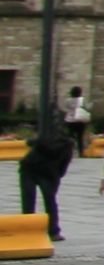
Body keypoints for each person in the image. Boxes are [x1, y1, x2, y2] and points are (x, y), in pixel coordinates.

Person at [20, 95, 74, 238]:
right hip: (49, 172)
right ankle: (53, 230)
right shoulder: (67, 144)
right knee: (50, 200)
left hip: (30, 167)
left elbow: (29, 143)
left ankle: (28, 229)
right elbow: (64, 164)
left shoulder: (42, 137)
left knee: (28, 198)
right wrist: (57, 175)